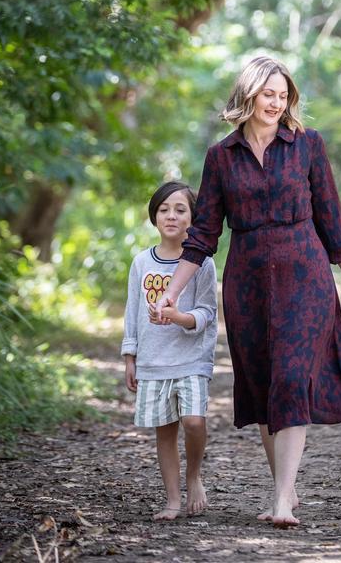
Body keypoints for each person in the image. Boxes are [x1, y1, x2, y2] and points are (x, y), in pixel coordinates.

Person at [150, 55, 341, 527]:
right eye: (268, 93)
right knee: (267, 384)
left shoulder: (308, 145)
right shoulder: (221, 156)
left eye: (283, 93)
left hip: (305, 274)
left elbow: (330, 213)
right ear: (248, 95)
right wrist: (171, 290)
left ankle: (283, 498)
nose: (276, 101)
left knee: (292, 378)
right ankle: (282, 488)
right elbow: (204, 233)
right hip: (246, 280)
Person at [122, 181, 218, 520]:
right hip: (153, 359)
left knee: (193, 421)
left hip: (191, 358)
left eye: (180, 210)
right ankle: (173, 500)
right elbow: (132, 310)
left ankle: (194, 476)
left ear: (193, 218)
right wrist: (130, 355)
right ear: (154, 216)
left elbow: (209, 311)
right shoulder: (141, 262)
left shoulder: (202, 263)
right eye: (164, 209)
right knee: (165, 430)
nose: (171, 216)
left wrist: (181, 318)